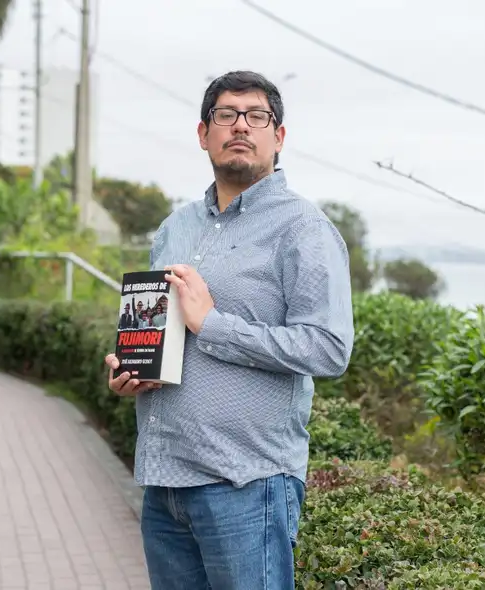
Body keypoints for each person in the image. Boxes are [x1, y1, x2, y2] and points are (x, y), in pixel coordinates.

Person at [103, 71, 355, 589]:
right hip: (165, 482)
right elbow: (163, 329)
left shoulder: (304, 229)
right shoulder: (176, 227)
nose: (240, 126)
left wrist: (214, 325)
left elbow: (329, 349)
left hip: (247, 483)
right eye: (226, 115)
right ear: (203, 133)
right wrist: (133, 368)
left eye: (256, 116)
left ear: (278, 136)